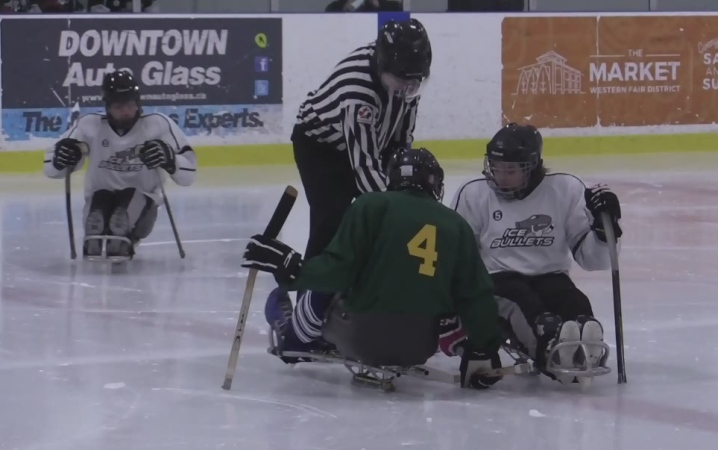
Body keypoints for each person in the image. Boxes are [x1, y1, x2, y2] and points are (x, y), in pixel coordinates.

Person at [241, 148, 505, 390]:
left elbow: (336, 270)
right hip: (420, 345)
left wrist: (290, 268)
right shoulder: (456, 224)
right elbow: (476, 295)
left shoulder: (370, 204)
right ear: (435, 183)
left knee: (322, 287)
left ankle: (293, 338)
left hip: (361, 339)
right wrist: (483, 350)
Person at [445, 123, 622, 384]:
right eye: (496, 167)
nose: (500, 176)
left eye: (511, 170)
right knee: (527, 306)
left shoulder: (565, 189)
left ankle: (582, 346)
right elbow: (457, 259)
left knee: (575, 303)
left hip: (551, 276)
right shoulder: (473, 194)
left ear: (532, 166)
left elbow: (594, 260)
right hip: (498, 281)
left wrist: (603, 231)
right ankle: (550, 350)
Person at [291, 18, 432, 261]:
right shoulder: (357, 91)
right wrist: (398, 209)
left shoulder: (407, 75)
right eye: (402, 81)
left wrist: (403, 187)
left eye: (415, 82)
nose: (408, 89)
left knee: (382, 215)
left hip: (372, 138)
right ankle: (312, 293)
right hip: (323, 146)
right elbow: (364, 165)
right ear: (382, 66)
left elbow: (402, 137)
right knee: (332, 217)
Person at [43, 70, 197, 258]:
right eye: (118, 105)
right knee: (99, 205)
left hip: (143, 202)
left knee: (128, 204)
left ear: (138, 103)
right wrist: (62, 159)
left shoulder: (157, 125)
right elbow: (50, 168)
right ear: (107, 106)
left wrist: (170, 160)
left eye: (130, 104)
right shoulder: (89, 125)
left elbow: (189, 174)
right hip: (99, 197)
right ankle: (99, 235)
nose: (125, 111)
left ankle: (123, 236)